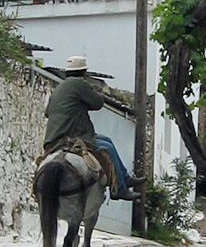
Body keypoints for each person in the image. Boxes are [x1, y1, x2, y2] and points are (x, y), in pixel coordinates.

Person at [43, 55, 145, 201]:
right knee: (107, 147)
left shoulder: (59, 88)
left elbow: (48, 113)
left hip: (52, 138)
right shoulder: (79, 84)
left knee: (105, 140)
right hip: (72, 136)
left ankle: (125, 177)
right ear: (84, 72)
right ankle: (119, 189)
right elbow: (97, 103)